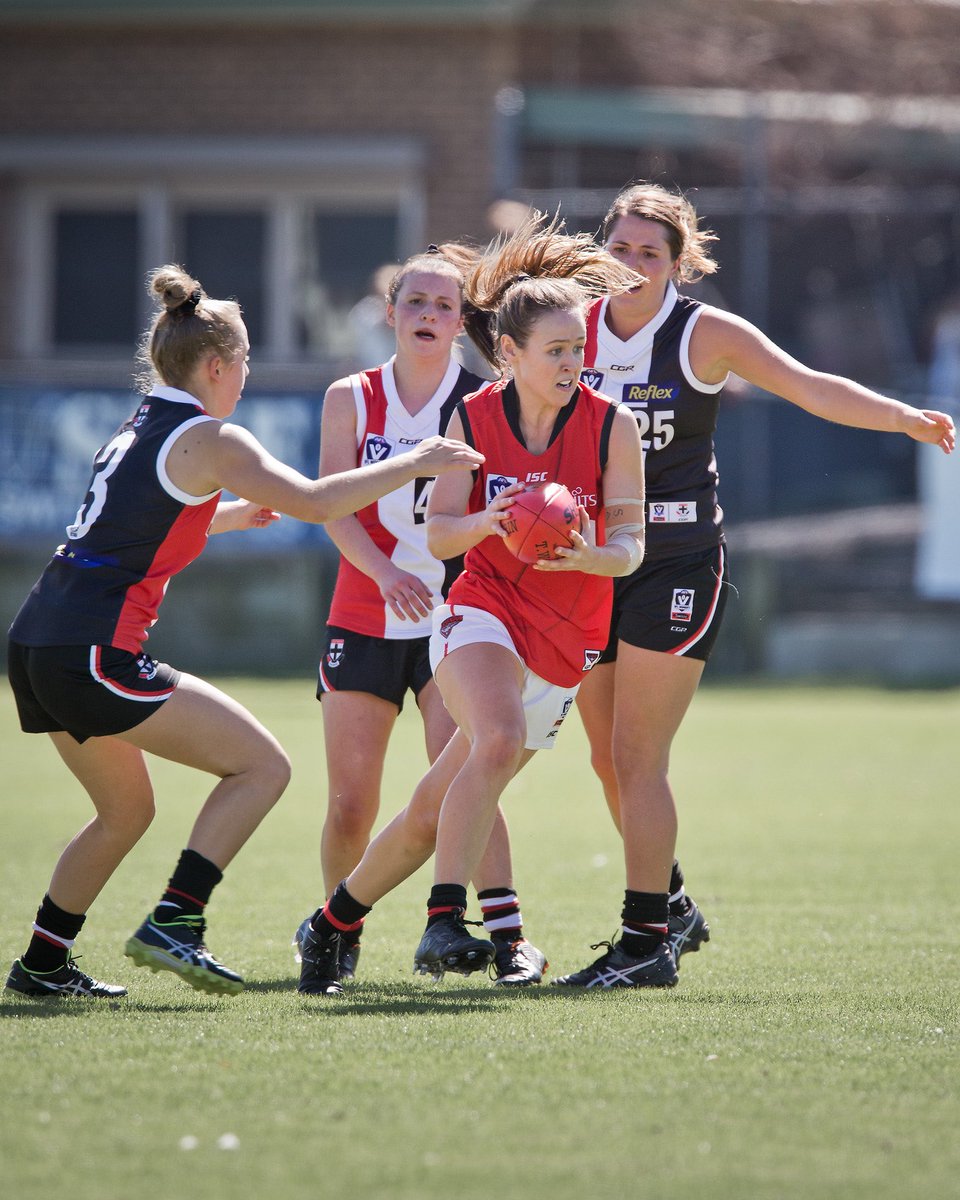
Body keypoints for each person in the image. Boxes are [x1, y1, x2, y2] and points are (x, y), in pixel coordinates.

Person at [4, 264, 482, 1001]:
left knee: (124, 812)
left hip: (38, 643)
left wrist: (223, 516)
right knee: (262, 767)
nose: (248, 374)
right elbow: (321, 502)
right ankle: (177, 922)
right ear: (218, 366)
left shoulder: (141, 424)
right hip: (94, 650)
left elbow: (132, 525)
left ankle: (42, 962)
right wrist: (417, 461)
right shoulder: (214, 438)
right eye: (248, 361)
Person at [566, 182, 956, 988]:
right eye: (622, 246)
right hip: (595, 563)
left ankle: (644, 949)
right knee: (605, 759)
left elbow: (811, 386)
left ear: (679, 264)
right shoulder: (572, 331)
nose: (633, 263)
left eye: (651, 251)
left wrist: (906, 418)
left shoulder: (705, 333)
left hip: (676, 560)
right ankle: (670, 906)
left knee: (640, 755)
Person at [294, 213, 652, 995]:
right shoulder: (475, 418)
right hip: (480, 610)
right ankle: (443, 920)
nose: (572, 365)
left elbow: (632, 543)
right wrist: (492, 521)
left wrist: (596, 555)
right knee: (495, 738)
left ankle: (333, 920)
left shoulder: (612, 426)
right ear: (510, 354)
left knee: (435, 803)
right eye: (556, 352)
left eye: (579, 352)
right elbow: (444, 534)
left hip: (568, 635)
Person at [294, 245, 545, 988]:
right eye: (417, 303)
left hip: (454, 616)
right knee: (349, 804)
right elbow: (330, 504)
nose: (430, 316)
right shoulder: (352, 396)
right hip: (364, 608)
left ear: (462, 318)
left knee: (471, 775)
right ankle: (338, 938)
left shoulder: (484, 400)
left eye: (444, 305)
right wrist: (384, 571)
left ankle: (507, 938)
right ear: (391, 313)